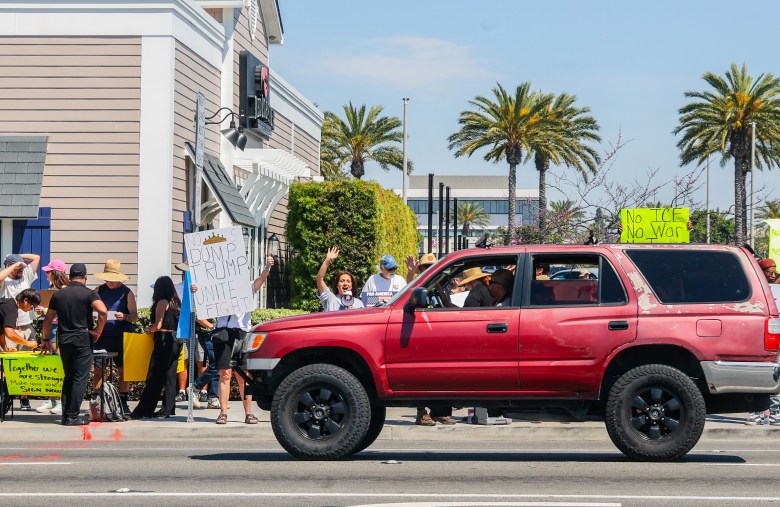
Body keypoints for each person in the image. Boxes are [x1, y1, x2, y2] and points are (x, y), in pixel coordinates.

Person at [42, 263, 108, 426]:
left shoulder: (59, 295)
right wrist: (98, 331)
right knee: (80, 378)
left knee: (69, 377)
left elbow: (49, 318)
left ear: (70, 277)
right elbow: (103, 311)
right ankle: (72, 416)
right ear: (85, 277)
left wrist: (44, 340)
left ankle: (66, 415)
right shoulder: (89, 294)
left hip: (64, 340)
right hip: (82, 340)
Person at [213, 259, 273, 425]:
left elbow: (261, 279)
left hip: (241, 332)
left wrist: (267, 267)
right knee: (225, 373)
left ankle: (248, 412)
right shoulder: (219, 288)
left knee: (244, 376)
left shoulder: (248, 286)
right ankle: (223, 412)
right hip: (223, 332)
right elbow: (206, 300)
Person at [130, 276, 182, 419]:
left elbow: (158, 325)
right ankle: (168, 408)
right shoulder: (176, 302)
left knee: (154, 376)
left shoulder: (162, 302)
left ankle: (144, 409)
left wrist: (149, 329)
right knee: (171, 376)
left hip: (163, 340)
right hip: (176, 341)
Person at [92, 259, 138, 414]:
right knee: (99, 369)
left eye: (111, 279)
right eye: (107, 279)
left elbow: (135, 316)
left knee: (123, 369)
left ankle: (123, 401)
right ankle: (97, 400)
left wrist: (124, 316)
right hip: (102, 335)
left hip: (121, 335)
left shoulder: (127, 293)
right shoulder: (99, 290)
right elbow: (91, 308)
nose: (109, 282)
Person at [0, 253, 41, 411]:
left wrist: (18, 257)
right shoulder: (10, 303)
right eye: (17, 268)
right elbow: (8, 333)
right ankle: (6, 397)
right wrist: (12, 263)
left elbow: (36, 257)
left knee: (25, 366)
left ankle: (22, 399)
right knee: (6, 367)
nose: (20, 271)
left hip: (24, 326)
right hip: (11, 329)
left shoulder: (26, 276)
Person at [746, 258, 779, 425]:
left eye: (774, 270)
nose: (773, 274)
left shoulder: (776, 288)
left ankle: (774, 414)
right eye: (769, 271)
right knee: (758, 375)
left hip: (775, 337)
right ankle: (756, 414)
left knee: (777, 376)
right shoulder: (754, 289)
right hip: (759, 338)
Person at [35, 259, 69, 415]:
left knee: (59, 365)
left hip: (61, 329)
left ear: (56, 273)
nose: (46, 274)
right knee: (51, 365)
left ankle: (61, 400)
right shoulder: (51, 289)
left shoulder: (65, 290)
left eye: (49, 272)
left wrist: (46, 309)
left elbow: (65, 310)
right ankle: (52, 399)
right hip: (51, 328)